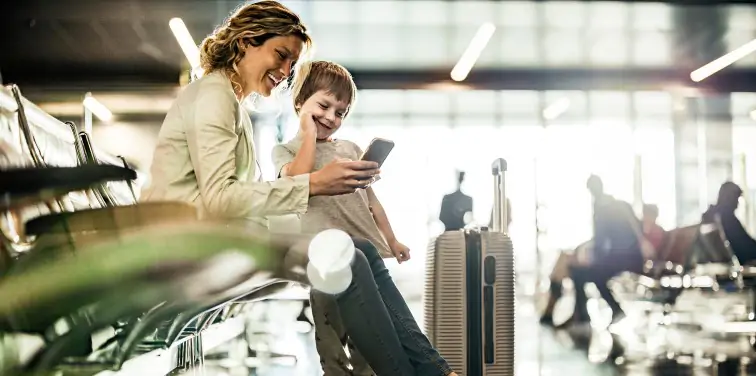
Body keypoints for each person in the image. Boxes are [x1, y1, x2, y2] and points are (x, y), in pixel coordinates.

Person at [141, 3, 456, 375]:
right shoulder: (214, 97)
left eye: (291, 63)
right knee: (345, 254)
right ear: (245, 43)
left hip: (212, 239)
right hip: (189, 248)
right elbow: (220, 199)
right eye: (281, 55)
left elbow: (232, 196)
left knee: (363, 250)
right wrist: (314, 184)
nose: (286, 71)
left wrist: (309, 190)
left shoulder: (230, 101)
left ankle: (433, 369)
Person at [271, 60, 412, 375]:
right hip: (324, 264)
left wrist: (392, 239)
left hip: (363, 260)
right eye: (323, 106)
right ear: (299, 102)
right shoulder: (285, 152)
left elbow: (372, 202)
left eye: (341, 112)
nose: (331, 117)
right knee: (332, 348)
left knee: (369, 345)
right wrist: (308, 134)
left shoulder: (350, 148)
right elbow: (297, 180)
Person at [565, 176, 644, 325]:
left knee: (586, 273)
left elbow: (601, 242)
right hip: (633, 256)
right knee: (585, 273)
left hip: (622, 258)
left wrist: (590, 258)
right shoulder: (620, 204)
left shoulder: (602, 209)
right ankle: (584, 314)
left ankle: (597, 313)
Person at [702, 182, 756, 264]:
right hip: (741, 267)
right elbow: (745, 246)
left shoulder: (711, 215)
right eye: (736, 199)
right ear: (729, 198)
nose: (737, 204)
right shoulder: (727, 218)